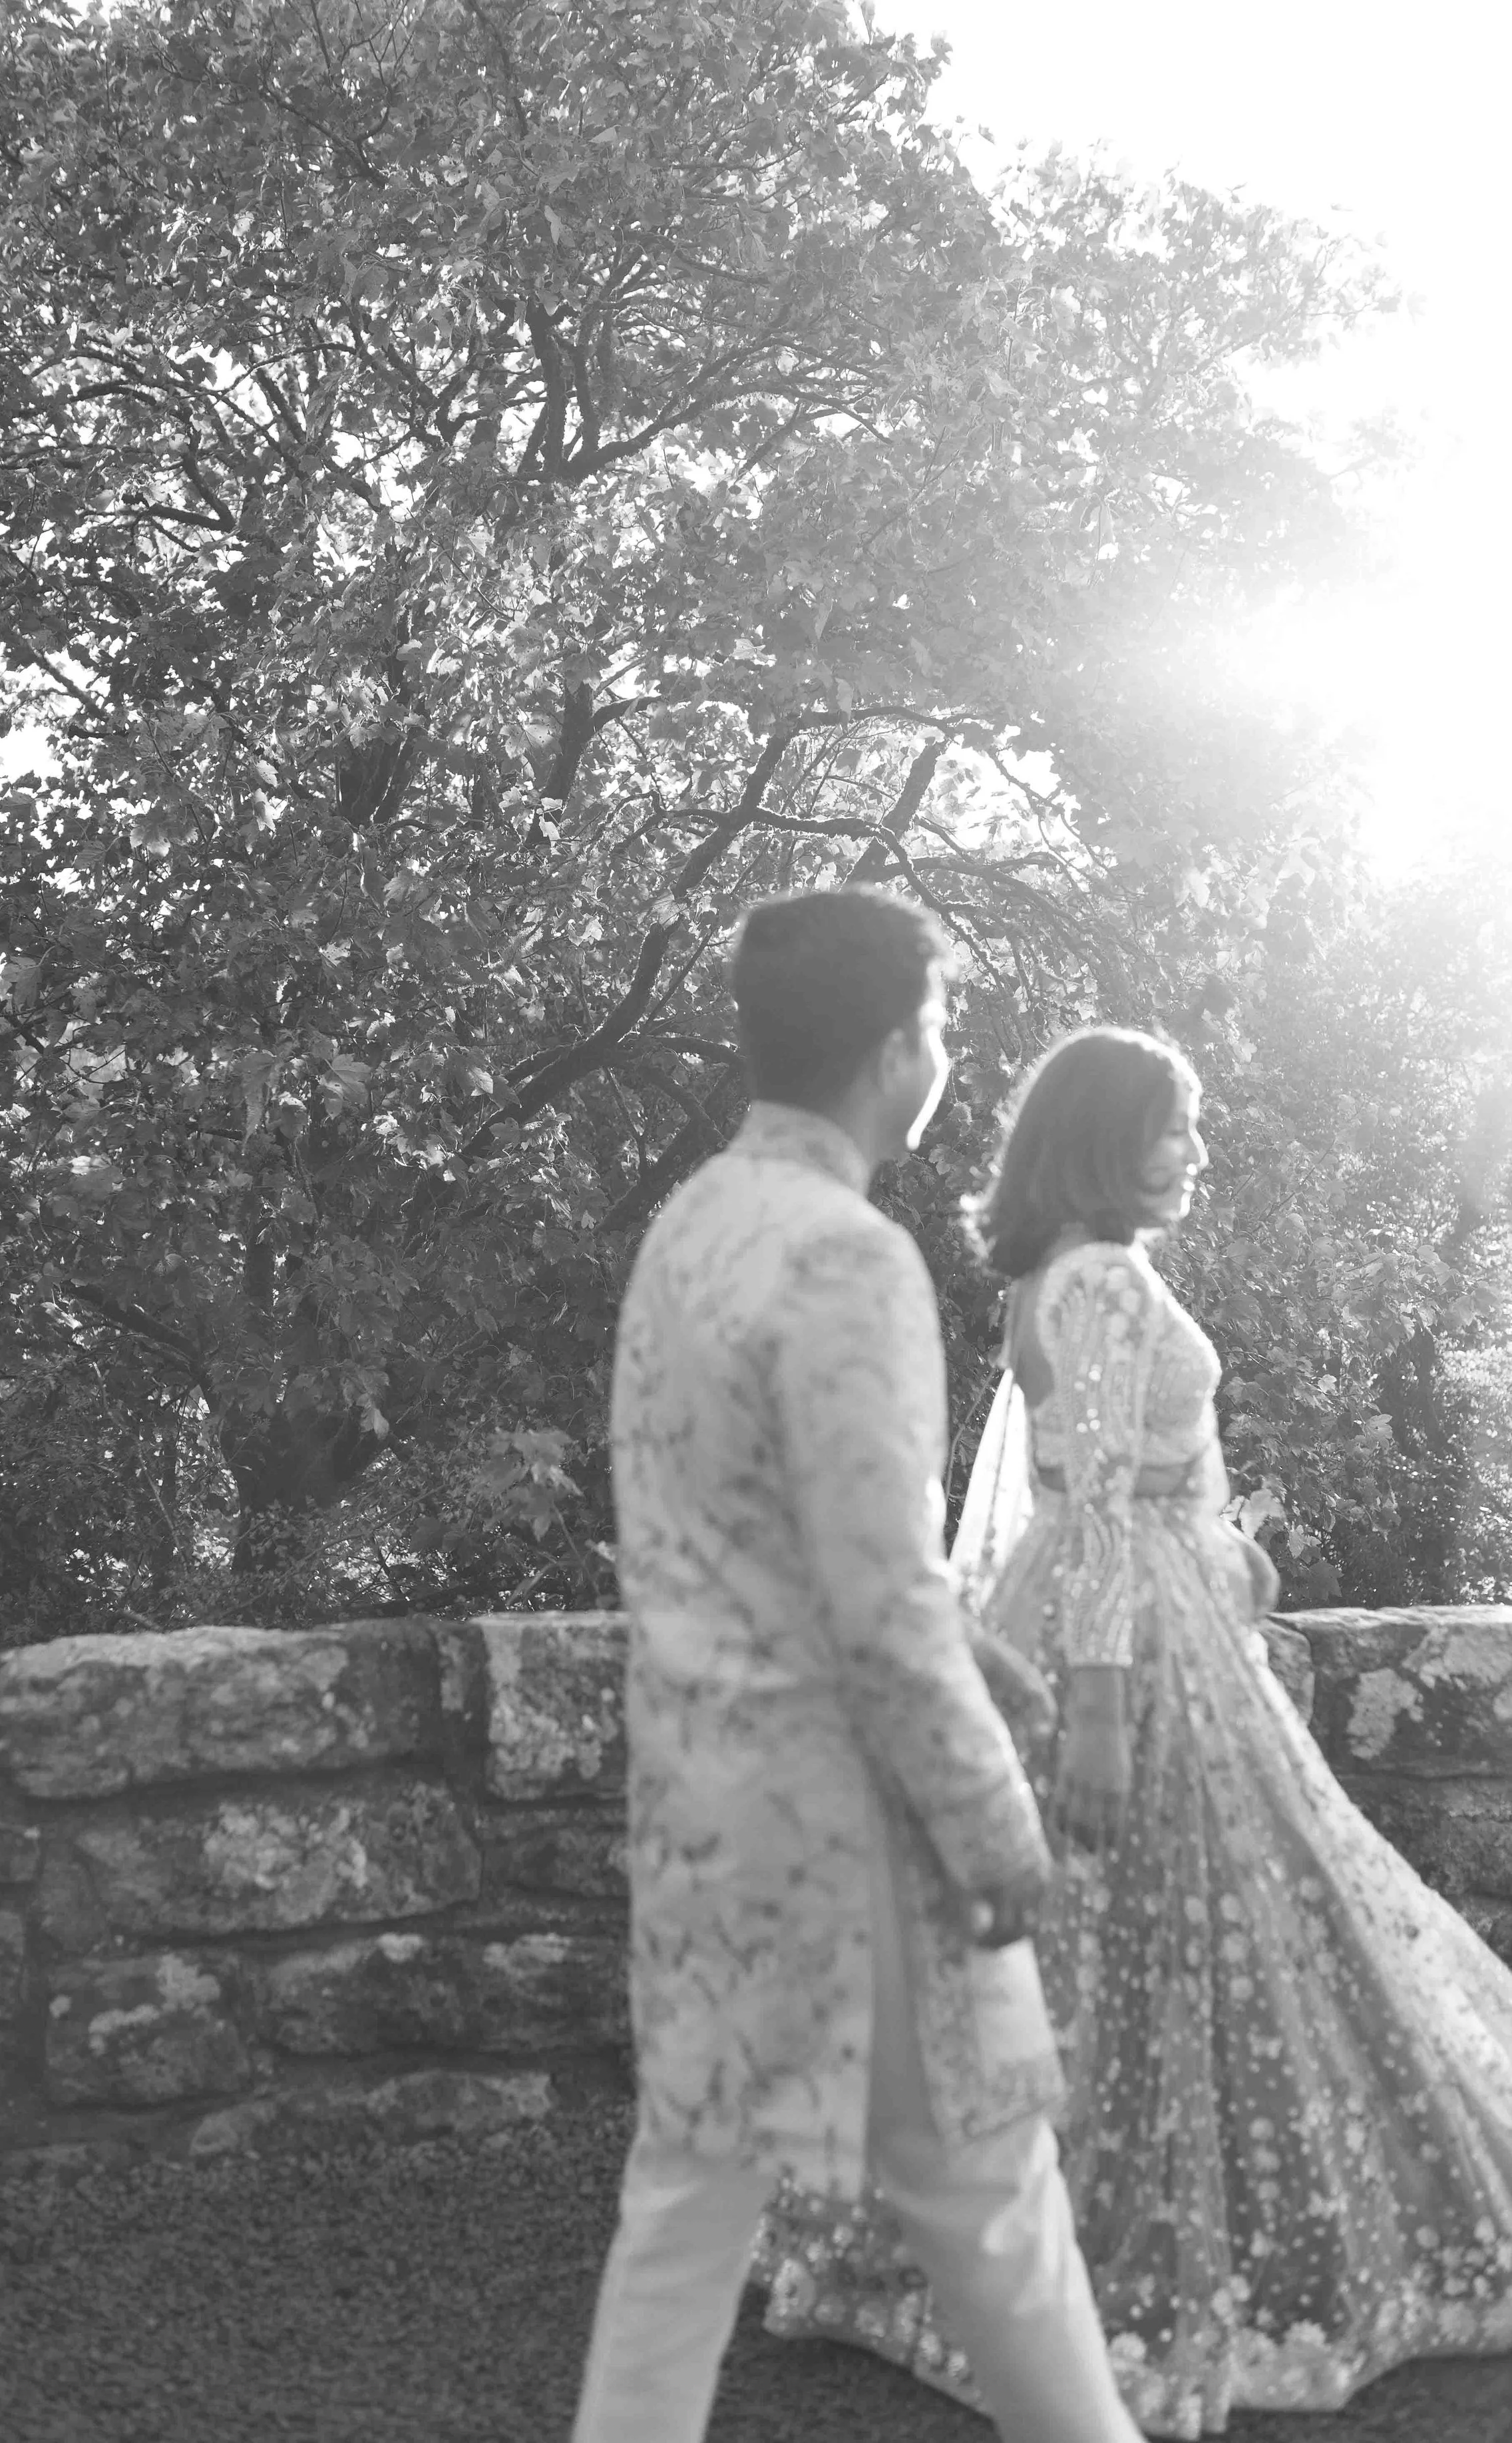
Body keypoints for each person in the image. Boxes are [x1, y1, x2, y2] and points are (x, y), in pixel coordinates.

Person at [756, 1024, 1512, 2436]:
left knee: (1112, 1950)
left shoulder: (1074, 1271)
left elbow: (1122, 1483)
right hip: (1118, 1649)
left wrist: (1223, 1552)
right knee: (1172, 1930)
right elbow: (1092, 1504)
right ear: (1101, 1137)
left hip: (1128, 1609)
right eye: (1171, 1125)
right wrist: (1097, 1713)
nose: (1195, 1149)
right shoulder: (1097, 1280)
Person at [572, 895, 1145, 2443]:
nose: (946, 1053)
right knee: (993, 2203)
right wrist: (992, 1821)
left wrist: (983, 1656)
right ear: (900, 1046)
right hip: (847, 1837)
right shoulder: (849, 1256)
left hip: (699, 1824)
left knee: (685, 2210)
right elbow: (877, 1600)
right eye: (945, 1025)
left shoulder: (685, 1227)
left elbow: (753, 1540)